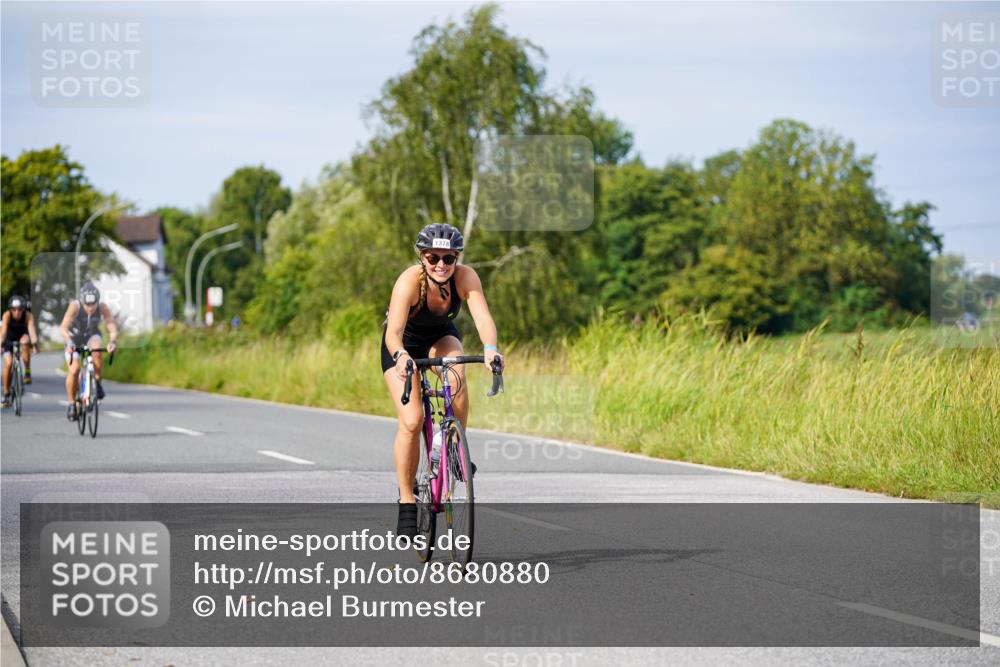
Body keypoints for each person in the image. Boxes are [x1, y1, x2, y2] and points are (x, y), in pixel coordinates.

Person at [381, 223, 504, 537]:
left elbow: (483, 318)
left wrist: (490, 349)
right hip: (402, 346)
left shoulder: (465, 277)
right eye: (433, 257)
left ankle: (453, 450)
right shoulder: (409, 281)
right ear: (421, 256)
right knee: (412, 420)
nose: (440, 265)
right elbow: (393, 334)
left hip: (440, 337)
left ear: (456, 258)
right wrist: (401, 357)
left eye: (448, 258)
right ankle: (407, 500)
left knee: (457, 374)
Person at [60, 282, 118, 419]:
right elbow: (63, 327)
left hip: (91, 335)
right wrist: (69, 342)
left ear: (98, 301)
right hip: (74, 337)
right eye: (87, 305)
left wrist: (112, 342)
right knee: (74, 370)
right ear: (82, 301)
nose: (90, 308)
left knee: (96, 350)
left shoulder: (102, 307)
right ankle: (72, 403)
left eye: (93, 305)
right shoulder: (75, 306)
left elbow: (111, 326)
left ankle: (97, 382)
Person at [2, 295, 39, 407]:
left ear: (23, 309)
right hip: (9, 339)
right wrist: (1, 344)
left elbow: (32, 331)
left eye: (19, 309)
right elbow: (3, 331)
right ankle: (6, 391)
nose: (17, 312)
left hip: (22, 336)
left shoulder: (28, 315)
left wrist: (35, 344)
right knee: (9, 364)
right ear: (10, 309)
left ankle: (27, 371)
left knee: (25, 342)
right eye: (14, 309)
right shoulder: (7, 315)